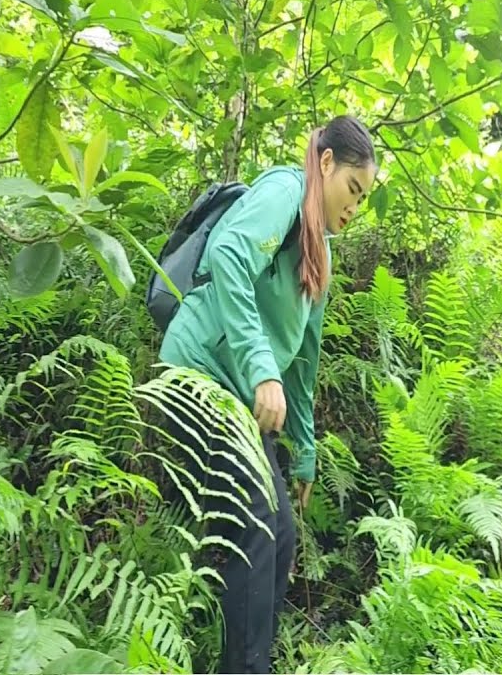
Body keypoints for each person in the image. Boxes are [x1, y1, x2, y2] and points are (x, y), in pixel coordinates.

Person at [157, 114, 377, 673]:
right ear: (325, 164)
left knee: (278, 535)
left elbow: (304, 360)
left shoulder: (319, 250)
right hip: (199, 374)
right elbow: (229, 253)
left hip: (240, 398)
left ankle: (249, 661)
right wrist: (262, 370)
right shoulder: (284, 189)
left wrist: (303, 454)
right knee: (255, 520)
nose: (354, 207)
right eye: (352, 188)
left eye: (363, 198)